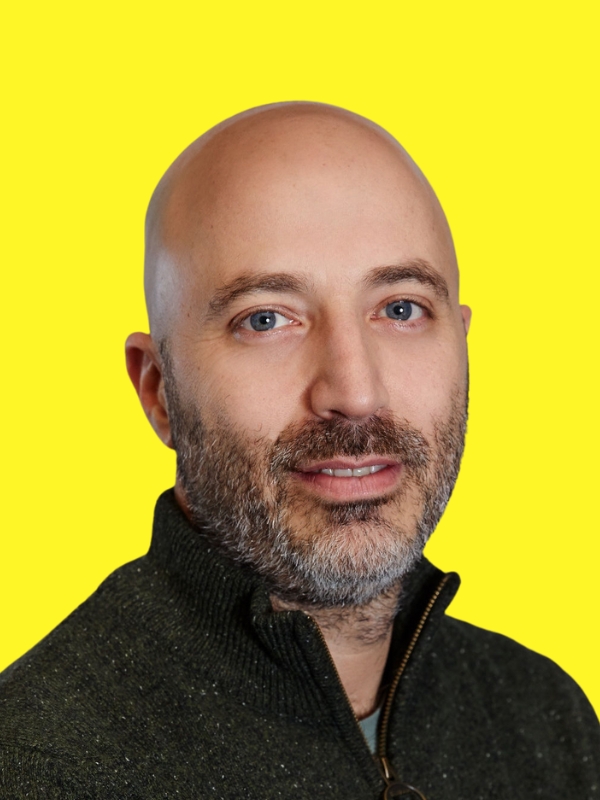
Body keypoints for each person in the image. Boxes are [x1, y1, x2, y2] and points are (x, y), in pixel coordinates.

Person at [0, 102, 598, 799]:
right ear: (159, 390)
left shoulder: (545, 720)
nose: (356, 392)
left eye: (401, 308)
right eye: (265, 319)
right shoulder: (37, 763)